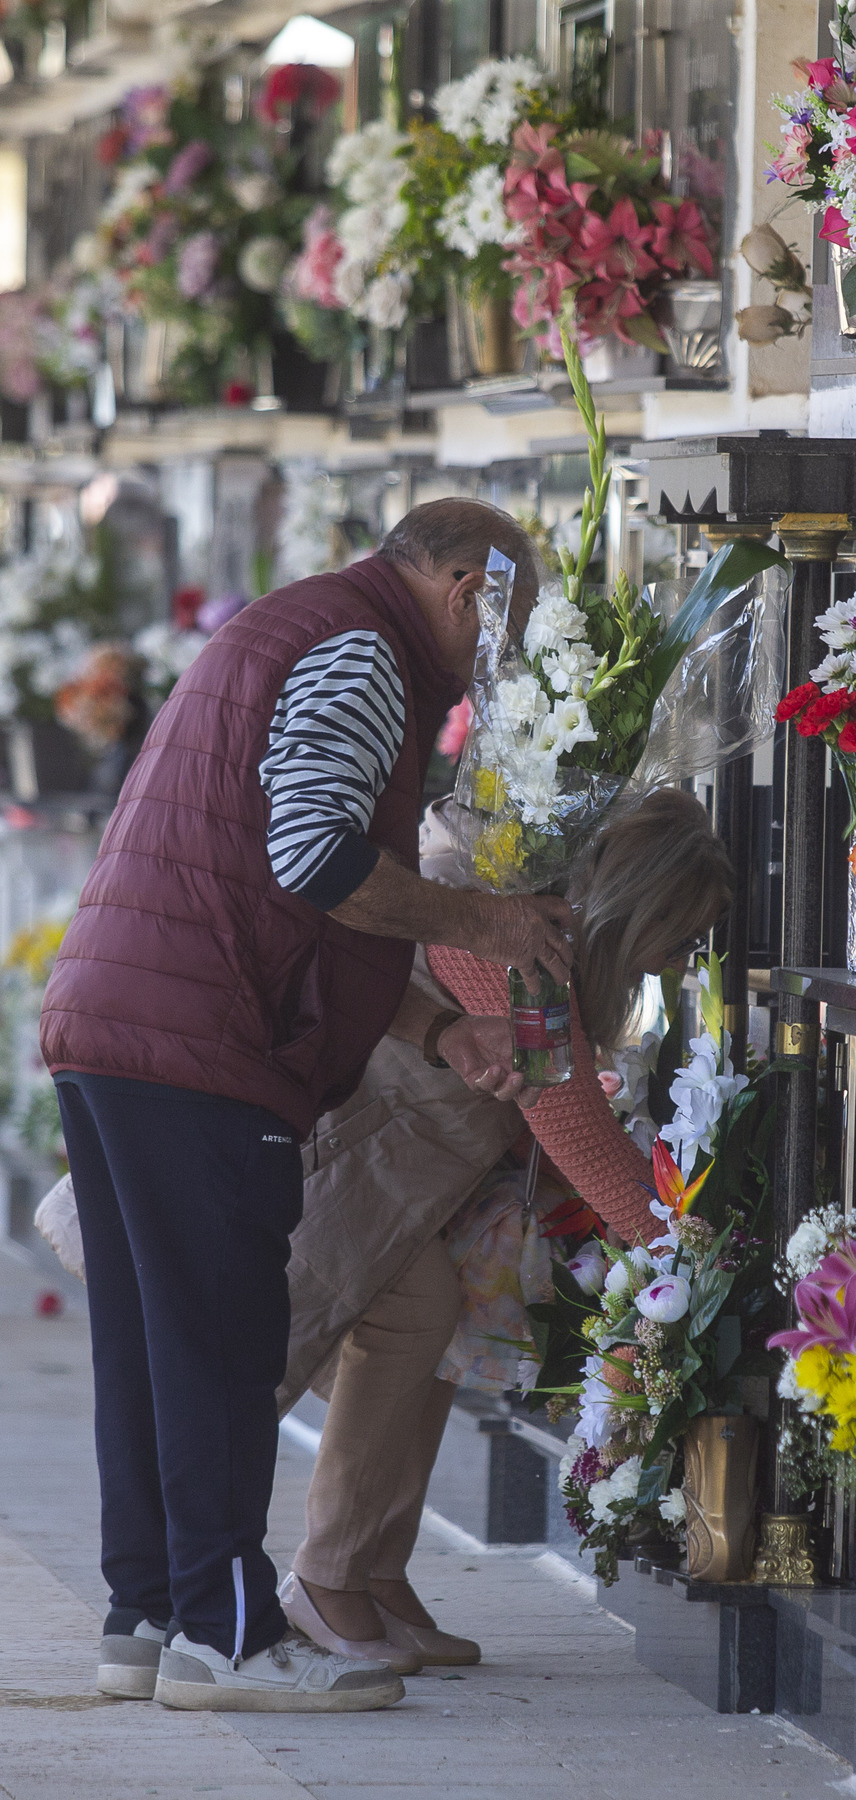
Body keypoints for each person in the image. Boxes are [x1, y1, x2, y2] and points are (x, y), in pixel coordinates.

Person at [39, 499, 574, 1714]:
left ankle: (152, 1619)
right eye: (509, 619)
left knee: (157, 1342)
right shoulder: (365, 648)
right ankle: (230, 1638)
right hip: (200, 1041)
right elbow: (316, 858)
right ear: (463, 587)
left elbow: (276, 881)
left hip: (121, 1016)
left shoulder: (293, 626)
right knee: (225, 1345)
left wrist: (438, 1026)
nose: (499, 654)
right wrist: (488, 922)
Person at [273, 789, 734, 1662]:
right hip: (342, 1158)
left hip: (385, 1174)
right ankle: (328, 1575)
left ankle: (371, 1570)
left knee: (426, 1324)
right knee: (411, 1318)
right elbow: (569, 1123)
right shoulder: (516, 942)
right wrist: (680, 1254)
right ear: (640, 908)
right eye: (677, 939)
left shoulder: (541, 938)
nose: (678, 964)